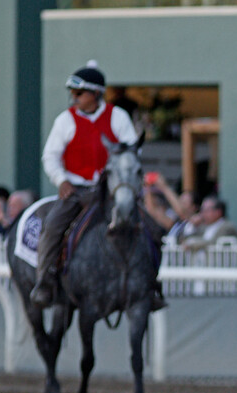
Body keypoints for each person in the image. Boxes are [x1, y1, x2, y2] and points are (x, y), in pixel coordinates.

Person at [33, 60, 166, 310]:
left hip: (113, 192)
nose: (74, 98)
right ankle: (45, 281)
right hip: (77, 190)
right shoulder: (65, 120)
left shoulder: (118, 117)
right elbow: (50, 156)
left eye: (79, 93)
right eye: (73, 93)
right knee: (52, 227)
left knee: (154, 231)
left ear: (96, 94)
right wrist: (60, 180)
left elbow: (131, 152)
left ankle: (152, 285)